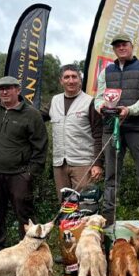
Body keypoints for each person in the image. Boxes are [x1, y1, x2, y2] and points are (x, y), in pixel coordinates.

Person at [94, 33, 139, 223]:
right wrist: (101, 108)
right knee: (111, 173)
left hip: (138, 128)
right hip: (112, 128)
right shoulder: (106, 72)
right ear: (114, 49)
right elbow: (98, 97)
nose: (121, 48)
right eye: (117, 46)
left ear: (132, 46)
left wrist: (129, 110)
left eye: (124, 45)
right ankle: (109, 214)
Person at [0, 76, 48, 250]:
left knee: (24, 213)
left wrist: (31, 173)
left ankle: (31, 248)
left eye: (9, 88)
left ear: (18, 90)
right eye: (1, 88)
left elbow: (40, 145)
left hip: (19, 174)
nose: (4, 91)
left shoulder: (31, 114)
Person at [42, 64, 103, 197]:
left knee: (85, 204)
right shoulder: (54, 101)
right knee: (64, 205)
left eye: (74, 77)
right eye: (66, 77)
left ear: (80, 80)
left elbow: (99, 135)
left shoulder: (90, 102)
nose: (71, 81)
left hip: (84, 163)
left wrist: (97, 164)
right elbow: (36, 118)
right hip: (59, 163)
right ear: (61, 81)